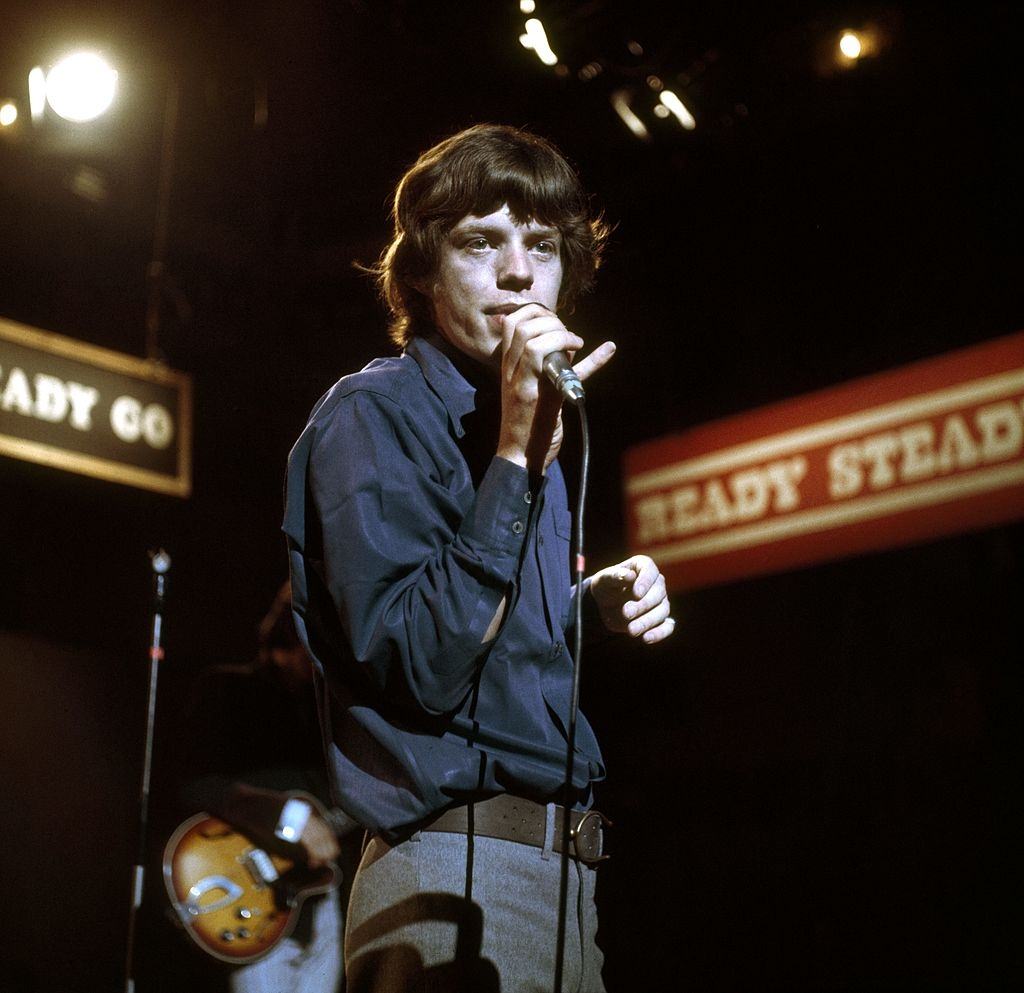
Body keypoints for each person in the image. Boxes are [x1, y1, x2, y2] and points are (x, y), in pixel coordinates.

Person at [284, 123, 674, 992]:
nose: (518, 273)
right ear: (421, 272)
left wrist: (585, 609)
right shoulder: (371, 414)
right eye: (480, 243)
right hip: (452, 866)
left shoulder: (532, 430)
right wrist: (511, 456)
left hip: (565, 880)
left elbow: (489, 652)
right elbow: (418, 662)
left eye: (541, 245)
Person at [177, 582, 359, 993]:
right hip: (251, 906)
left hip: (321, 905)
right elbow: (194, 786)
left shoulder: (330, 713)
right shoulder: (226, 688)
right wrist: (289, 820)